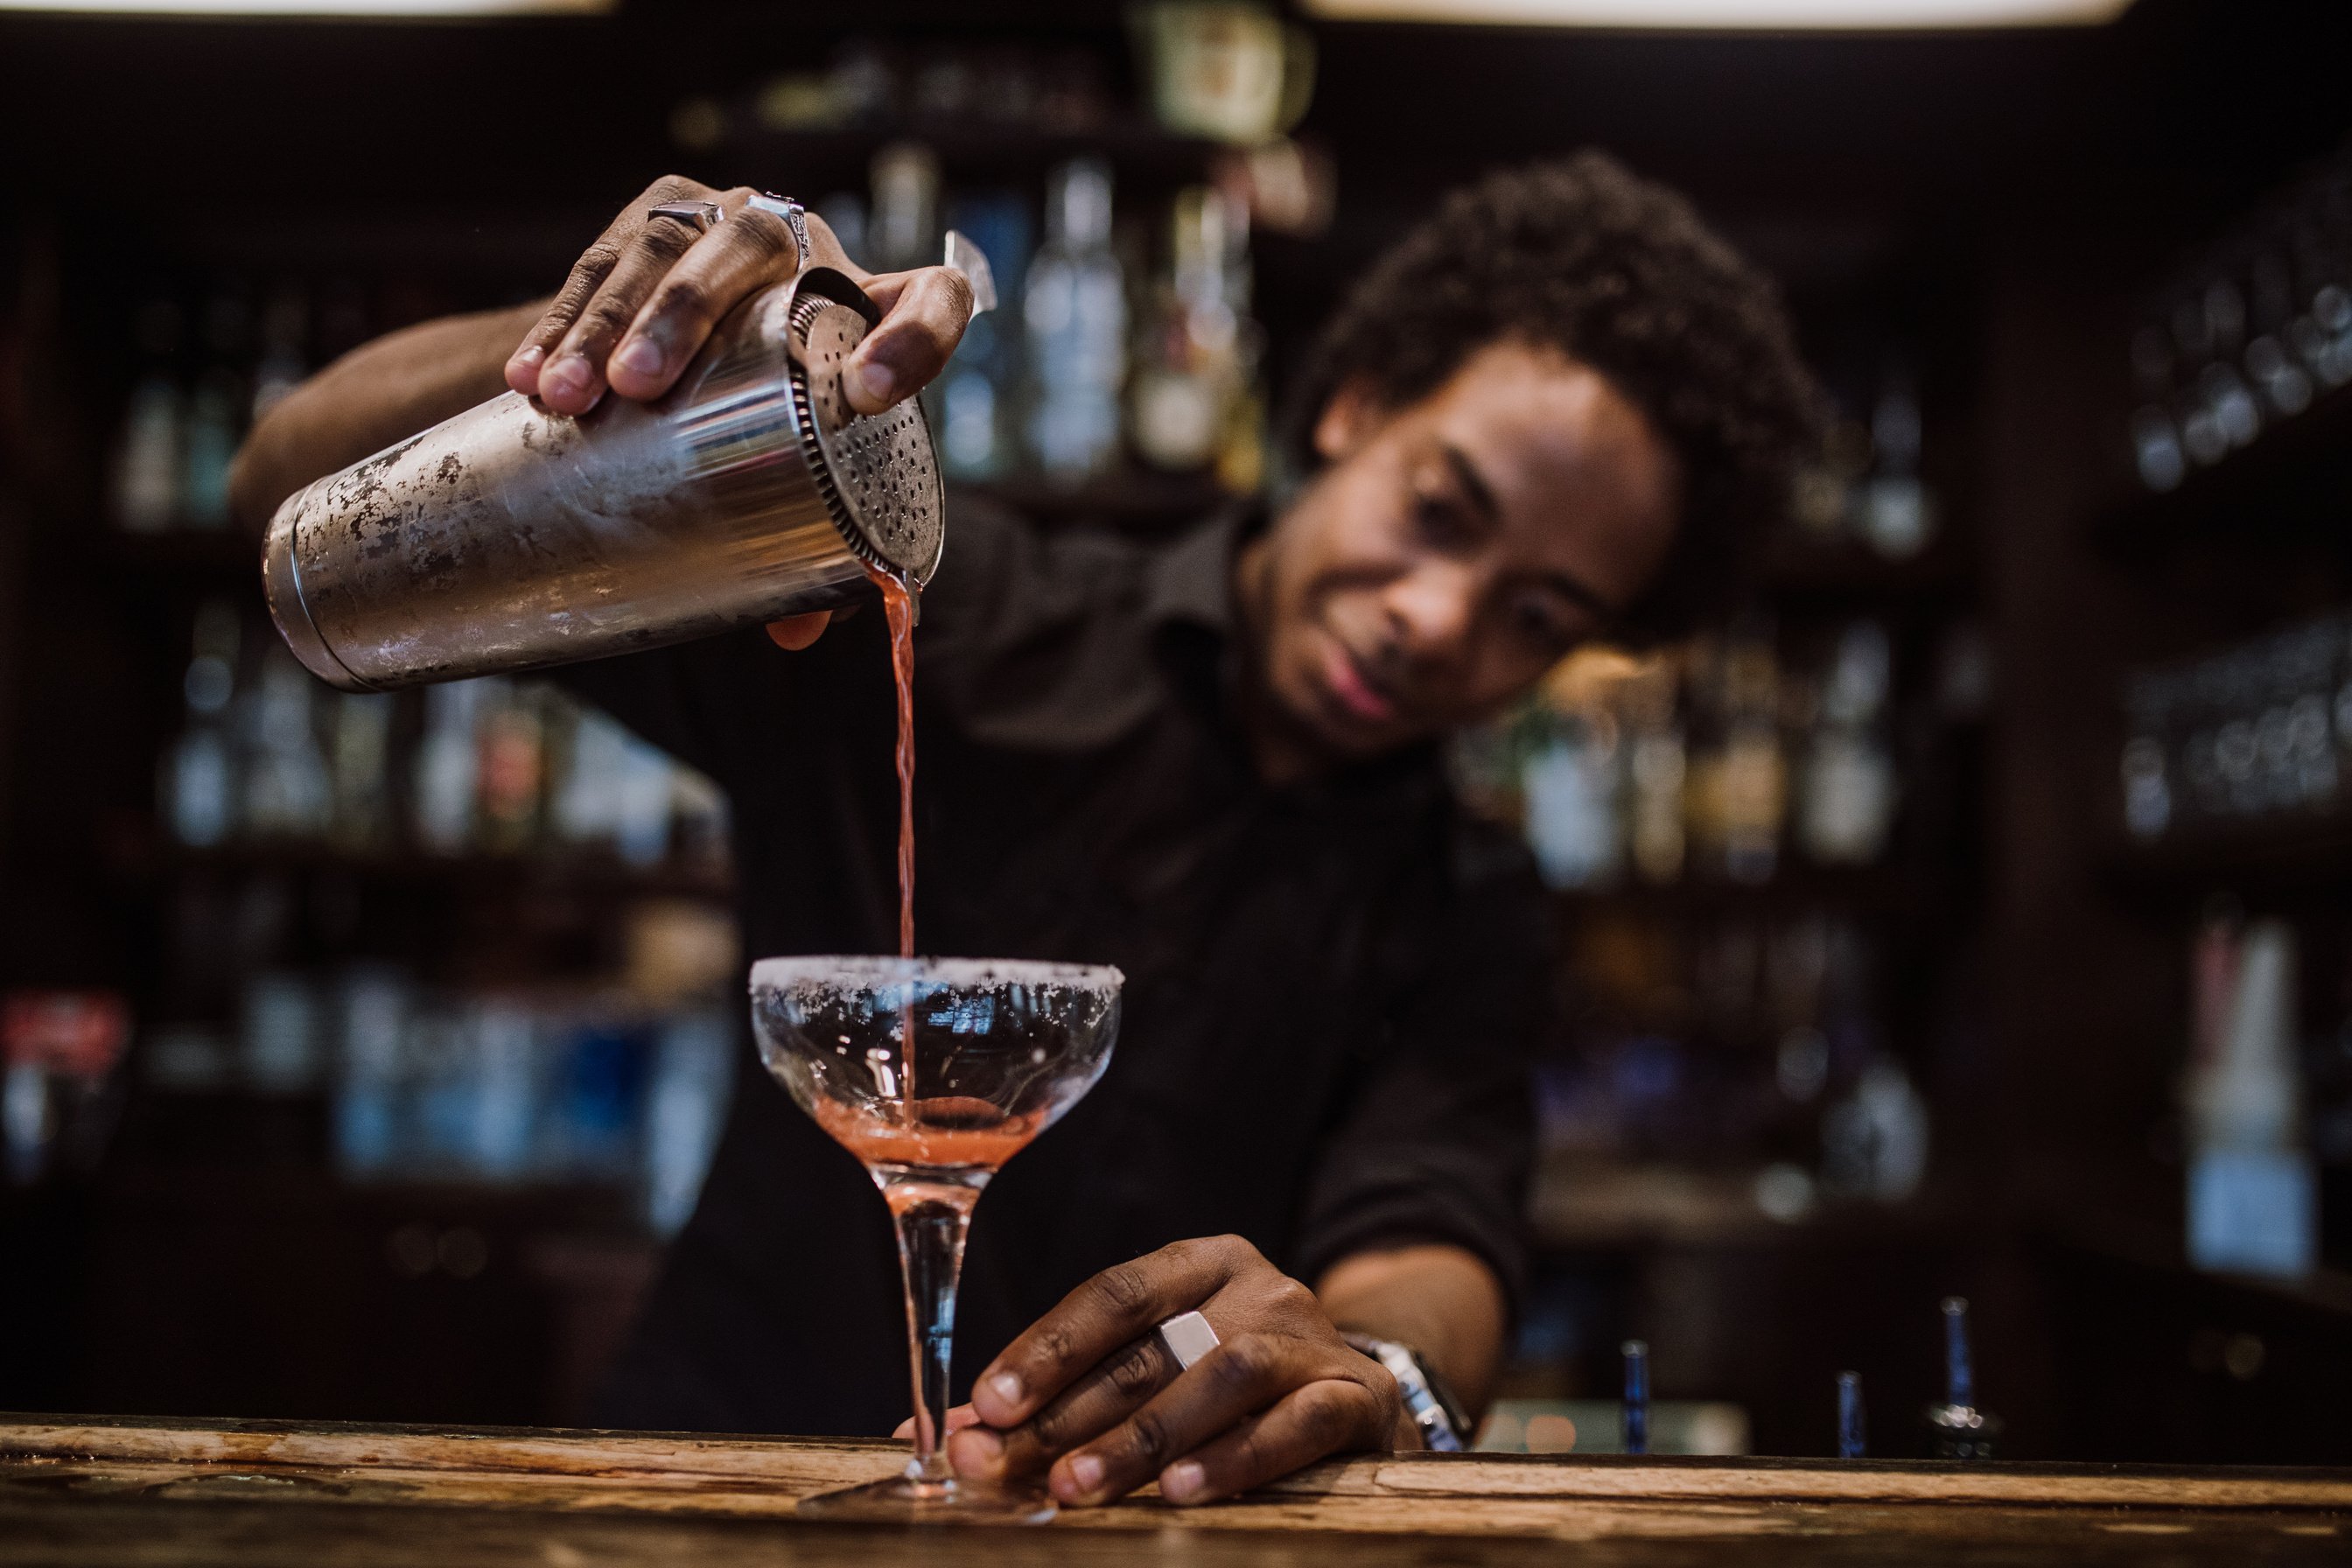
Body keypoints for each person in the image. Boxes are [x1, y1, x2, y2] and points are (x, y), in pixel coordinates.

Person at [231, 154, 1817, 1508]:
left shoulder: (1465, 897)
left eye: (1534, 614)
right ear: (1353, 407)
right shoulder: (936, 602)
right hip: (713, 1481)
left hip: (1119, 1520)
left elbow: (1434, 1235)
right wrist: (627, 365)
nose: (1433, 617)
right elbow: (285, 495)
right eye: (1443, 511)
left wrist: (1357, 1363)